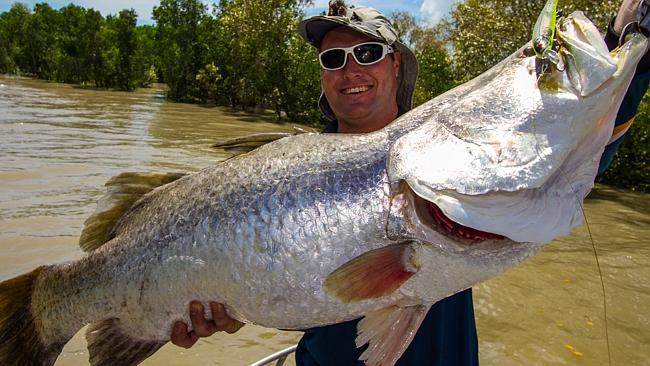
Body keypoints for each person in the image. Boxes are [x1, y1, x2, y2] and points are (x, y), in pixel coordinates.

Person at [170, 0, 650, 364]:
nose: (351, 70)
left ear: (396, 63)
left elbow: (562, 142)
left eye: (367, 52)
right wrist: (231, 305)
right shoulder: (279, 174)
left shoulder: (451, 138)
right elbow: (294, 298)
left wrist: (625, 40)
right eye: (332, 60)